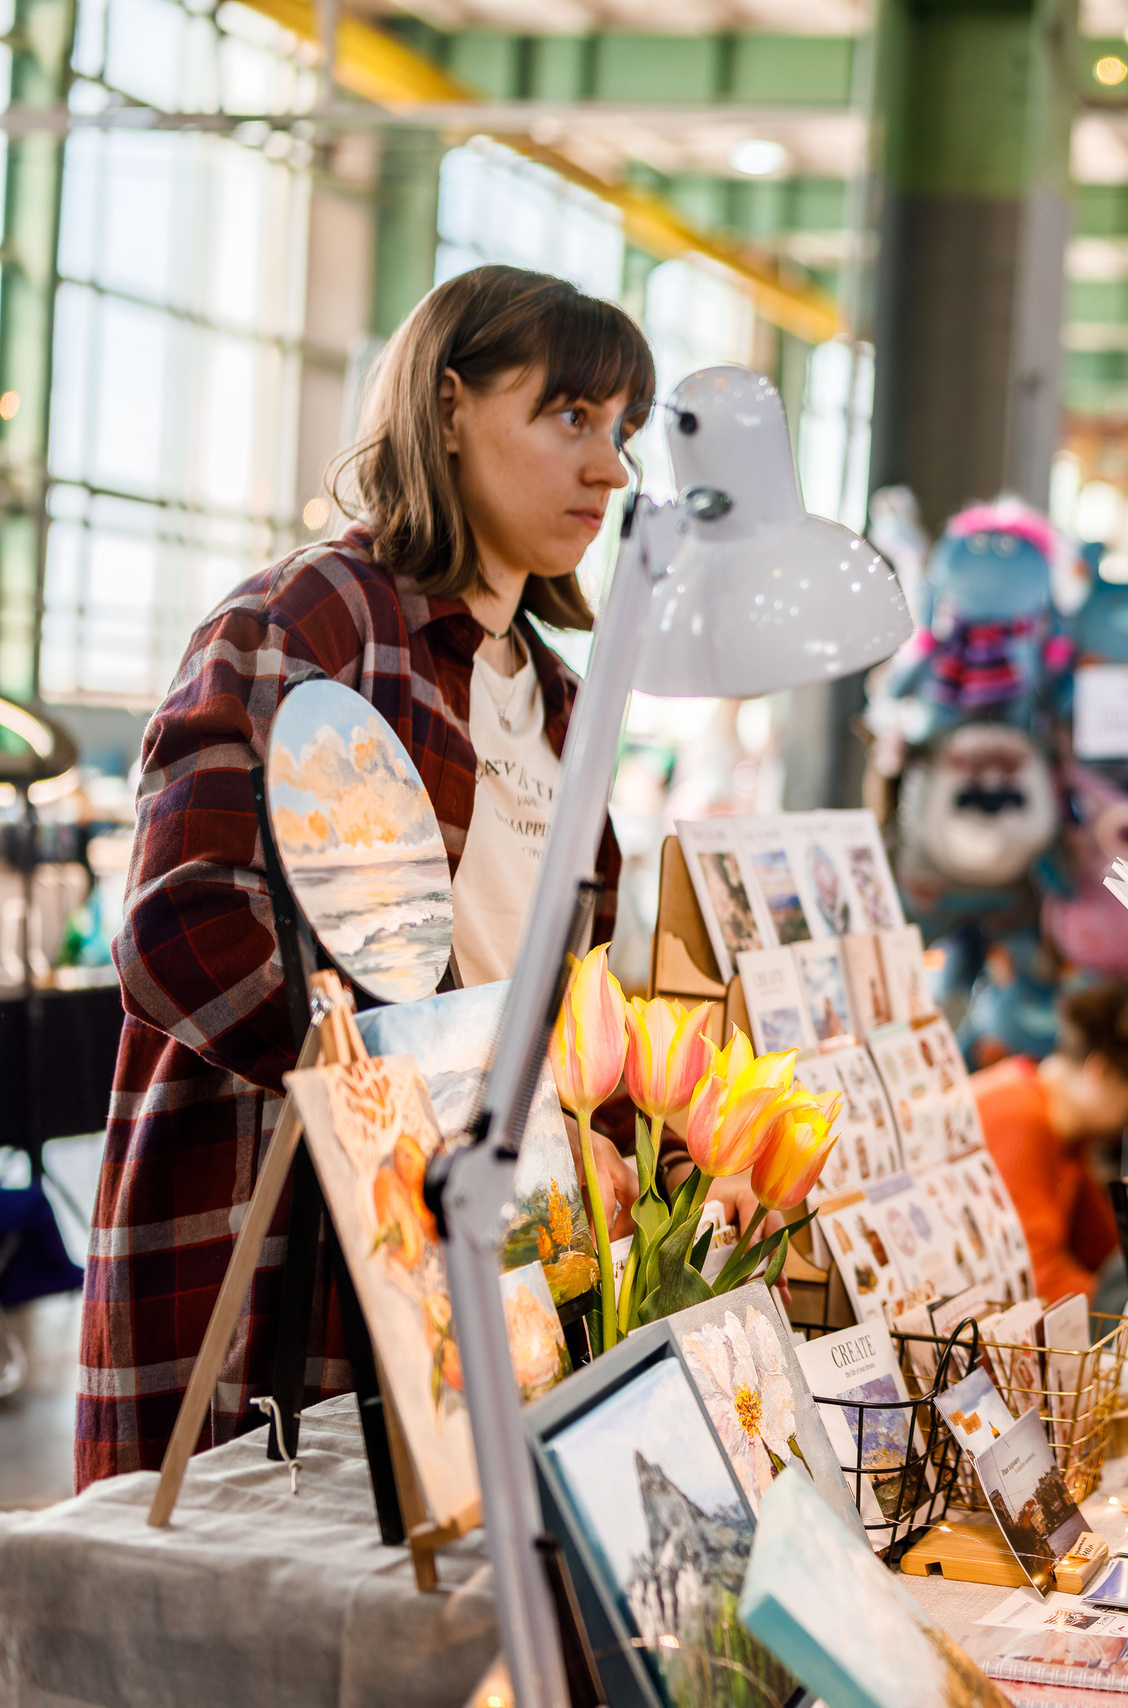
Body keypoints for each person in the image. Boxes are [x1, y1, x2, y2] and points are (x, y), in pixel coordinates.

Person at [78, 266, 653, 1487]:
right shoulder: (316, 619)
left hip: (488, 1272)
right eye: (571, 417)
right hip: (281, 1260)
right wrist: (419, 1114)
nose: (609, 470)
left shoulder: (561, 702)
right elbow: (184, 926)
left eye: (623, 432)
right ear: (449, 404)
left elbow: (566, 998)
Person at [972, 980, 1128, 1308]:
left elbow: (1102, 1245)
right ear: (1101, 1071)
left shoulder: (1062, 1129)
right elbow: (1034, 1276)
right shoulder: (1021, 1118)